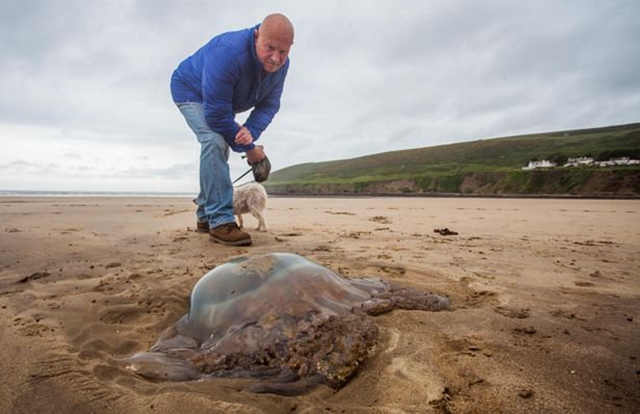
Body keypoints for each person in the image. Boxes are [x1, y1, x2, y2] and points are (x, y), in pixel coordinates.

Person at [170, 14, 294, 246]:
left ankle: (205, 216)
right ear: (257, 36)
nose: (276, 59)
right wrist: (251, 150)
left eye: (283, 52)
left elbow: (269, 104)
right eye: (269, 48)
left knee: (222, 141)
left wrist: (250, 131)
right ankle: (220, 221)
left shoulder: (282, 66)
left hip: (224, 100)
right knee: (214, 140)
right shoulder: (228, 52)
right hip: (191, 89)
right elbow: (216, 116)